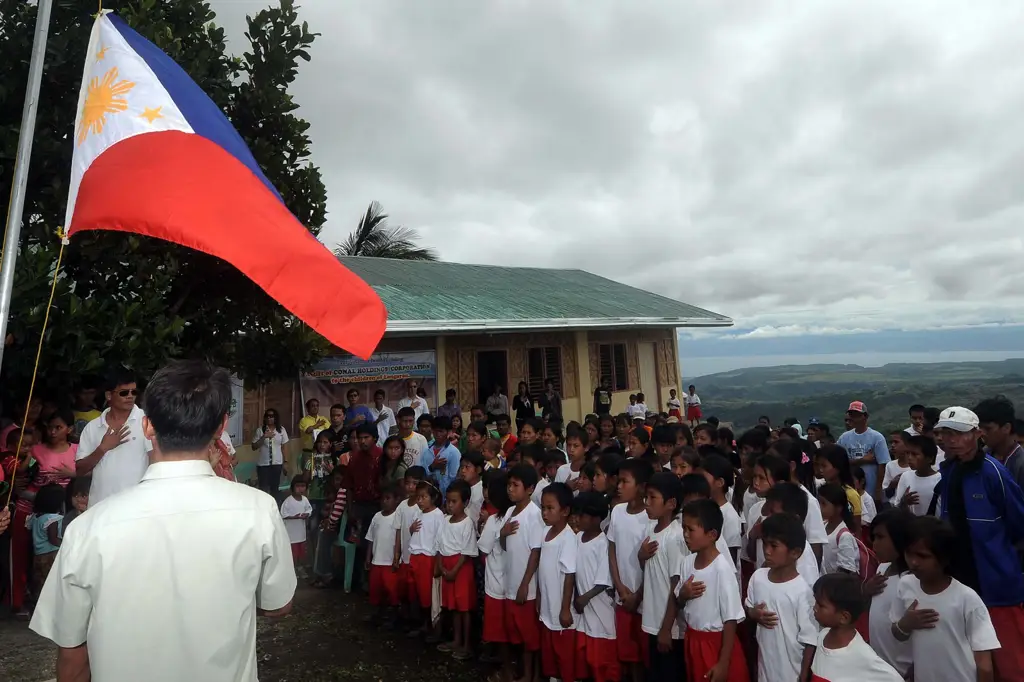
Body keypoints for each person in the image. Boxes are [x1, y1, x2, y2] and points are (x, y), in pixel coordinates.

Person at [30, 360, 296, 681]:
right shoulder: (258, 510)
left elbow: (72, 654)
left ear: (148, 426)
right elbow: (276, 605)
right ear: (221, 426)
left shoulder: (89, 528)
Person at [932, 406, 1024, 681]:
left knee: (1009, 660)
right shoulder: (948, 472)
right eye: (945, 433)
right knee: (971, 657)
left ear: (976, 435)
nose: (950, 440)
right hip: (960, 576)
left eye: (958, 433)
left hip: (996, 580)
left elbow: (1018, 523)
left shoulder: (993, 473)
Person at [890, 516, 1001, 682]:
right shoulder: (905, 585)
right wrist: (905, 624)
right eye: (909, 554)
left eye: (923, 556)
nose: (913, 562)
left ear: (944, 559)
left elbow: (984, 664)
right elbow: (897, 633)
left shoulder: (966, 599)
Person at [676, 498, 749, 682]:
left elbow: (730, 620)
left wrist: (723, 663)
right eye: (683, 528)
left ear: (712, 534)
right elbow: (679, 600)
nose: (685, 535)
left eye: (691, 530)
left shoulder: (722, 569)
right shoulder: (686, 563)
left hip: (715, 644)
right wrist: (683, 596)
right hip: (693, 639)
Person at [744, 513, 817, 682]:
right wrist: (752, 613)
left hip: (791, 672)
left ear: (795, 553)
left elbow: (810, 639)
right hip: (765, 668)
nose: (767, 551)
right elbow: (748, 607)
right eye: (765, 544)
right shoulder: (758, 578)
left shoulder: (803, 592)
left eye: (774, 546)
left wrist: (805, 674)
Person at [75, 369, 153, 506]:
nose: (130, 396)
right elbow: (80, 470)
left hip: (137, 506)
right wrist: (103, 448)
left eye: (134, 392)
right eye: (124, 392)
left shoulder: (147, 422)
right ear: (109, 395)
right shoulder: (92, 427)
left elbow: (156, 463)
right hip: (99, 505)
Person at [499, 463, 545, 682]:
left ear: (530, 489)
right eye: (509, 485)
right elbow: (506, 545)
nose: (510, 489)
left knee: (529, 637)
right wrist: (502, 533)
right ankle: (519, 672)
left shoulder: (534, 514)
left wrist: (526, 583)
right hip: (510, 580)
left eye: (515, 485)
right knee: (515, 633)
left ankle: (530, 675)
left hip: (525, 585)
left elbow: (535, 551)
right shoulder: (510, 511)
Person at [638, 472, 686, 679]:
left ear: (671, 503)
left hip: (669, 627)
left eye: (652, 497)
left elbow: (676, 585)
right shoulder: (650, 528)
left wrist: (667, 629)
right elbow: (650, 570)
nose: (646, 503)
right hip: (652, 619)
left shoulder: (675, 537)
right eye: (646, 497)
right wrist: (641, 556)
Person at [810, 574, 903, 681]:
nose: (815, 608)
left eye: (821, 605)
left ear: (844, 617)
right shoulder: (823, 635)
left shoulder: (863, 656)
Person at [865, 508, 914, 677]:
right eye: (873, 537)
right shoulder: (881, 569)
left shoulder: (911, 582)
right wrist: (865, 591)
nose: (874, 544)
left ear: (900, 538)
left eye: (880, 537)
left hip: (902, 671)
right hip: (879, 667)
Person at [436, 479, 479, 659]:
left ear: (465, 503)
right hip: (446, 565)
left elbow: (467, 551)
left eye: (454, 501)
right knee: (453, 607)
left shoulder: (467, 523)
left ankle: (466, 644)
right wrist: (440, 566)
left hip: (461, 568)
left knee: (464, 608)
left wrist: (454, 570)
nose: (450, 505)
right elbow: (438, 545)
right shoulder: (445, 520)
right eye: (448, 501)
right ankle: (456, 639)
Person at [408, 479, 445, 638]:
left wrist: (437, 563)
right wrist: (411, 529)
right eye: (418, 497)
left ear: (433, 498)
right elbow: (415, 533)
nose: (420, 501)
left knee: (427, 595)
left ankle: (431, 626)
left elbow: (439, 541)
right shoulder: (418, 513)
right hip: (414, 555)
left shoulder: (438, 515)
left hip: (427, 558)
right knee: (415, 592)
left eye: (424, 497)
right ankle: (422, 623)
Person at [836, 401, 890, 502]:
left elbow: (882, 465)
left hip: (870, 488)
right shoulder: (844, 437)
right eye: (851, 414)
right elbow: (838, 461)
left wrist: (878, 490)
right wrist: (862, 460)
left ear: (865, 416)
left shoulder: (877, 437)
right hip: (850, 487)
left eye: (856, 415)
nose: (853, 418)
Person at [364, 482, 402, 625]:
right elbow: (370, 538)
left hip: (389, 561)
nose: (384, 502)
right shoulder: (377, 517)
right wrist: (368, 557)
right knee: (375, 588)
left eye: (388, 498)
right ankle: (377, 613)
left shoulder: (398, 517)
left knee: (391, 589)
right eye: (383, 498)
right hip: (376, 561)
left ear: (396, 500)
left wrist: (397, 558)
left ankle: (393, 616)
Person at [976, 396, 1024, 490]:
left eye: (988, 429)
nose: (981, 433)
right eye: (979, 428)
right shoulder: (981, 455)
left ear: (1006, 428)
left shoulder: (1020, 464)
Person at [30, 483, 65, 601]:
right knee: (50, 583)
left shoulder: (35, 517)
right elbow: (53, 539)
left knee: (39, 582)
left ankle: (37, 604)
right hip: (51, 555)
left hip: (38, 556)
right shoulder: (53, 519)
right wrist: (66, 544)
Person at [817, 483, 861, 576]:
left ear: (838, 508)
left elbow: (847, 570)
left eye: (824, 504)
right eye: (819, 503)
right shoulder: (823, 526)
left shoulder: (844, 536)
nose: (819, 507)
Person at [894, 435, 941, 516]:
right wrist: (904, 502)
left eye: (915, 454)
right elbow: (897, 506)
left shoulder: (939, 479)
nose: (909, 457)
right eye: (908, 453)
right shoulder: (906, 476)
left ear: (929, 458)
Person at [251, 408, 289, 498]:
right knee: (263, 490)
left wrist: (286, 462)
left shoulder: (281, 430)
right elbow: (254, 447)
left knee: (274, 489)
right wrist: (264, 437)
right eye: (267, 416)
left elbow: (284, 447)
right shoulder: (260, 430)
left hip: (277, 464)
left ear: (276, 418)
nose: (269, 418)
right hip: (263, 465)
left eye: (272, 416)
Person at [280, 477, 312, 569]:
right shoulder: (288, 501)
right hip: (291, 534)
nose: (300, 489)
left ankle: (300, 568)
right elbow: (283, 514)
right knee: (293, 553)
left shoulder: (305, 500)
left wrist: (306, 515)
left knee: (302, 552)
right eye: (298, 486)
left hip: (301, 533)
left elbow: (309, 510)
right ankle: (293, 569)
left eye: (303, 486)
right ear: (293, 487)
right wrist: (294, 517)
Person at [298, 398, 330, 464]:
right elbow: (308, 431)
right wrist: (318, 424)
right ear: (307, 408)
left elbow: (330, 432)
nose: (315, 407)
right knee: (309, 473)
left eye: (317, 405)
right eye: (313, 406)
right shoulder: (304, 420)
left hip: (324, 453)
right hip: (309, 452)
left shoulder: (323, 419)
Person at [458, 449, 485, 526]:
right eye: (461, 467)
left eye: (467, 467)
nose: (463, 470)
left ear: (478, 469)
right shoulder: (459, 488)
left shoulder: (483, 490)